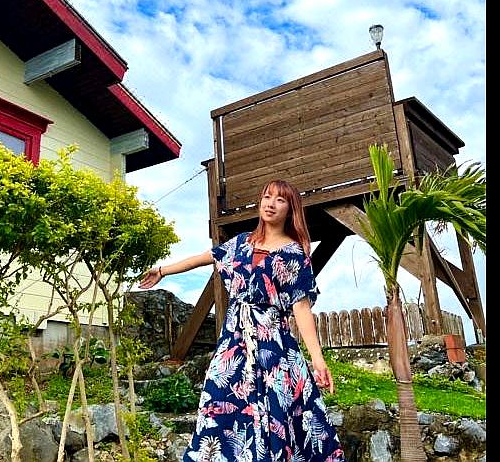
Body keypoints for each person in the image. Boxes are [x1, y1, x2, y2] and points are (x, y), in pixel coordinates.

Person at [139, 179, 346, 462]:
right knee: (218, 404)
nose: (271, 204)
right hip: (234, 345)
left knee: (276, 412)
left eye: (280, 200)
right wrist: (162, 270)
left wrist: (318, 360)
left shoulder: (296, 254)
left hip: (273, 347)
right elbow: (202, 258)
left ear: (290, 209)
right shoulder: (240, 243)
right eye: (267, 197)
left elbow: (301, 307)